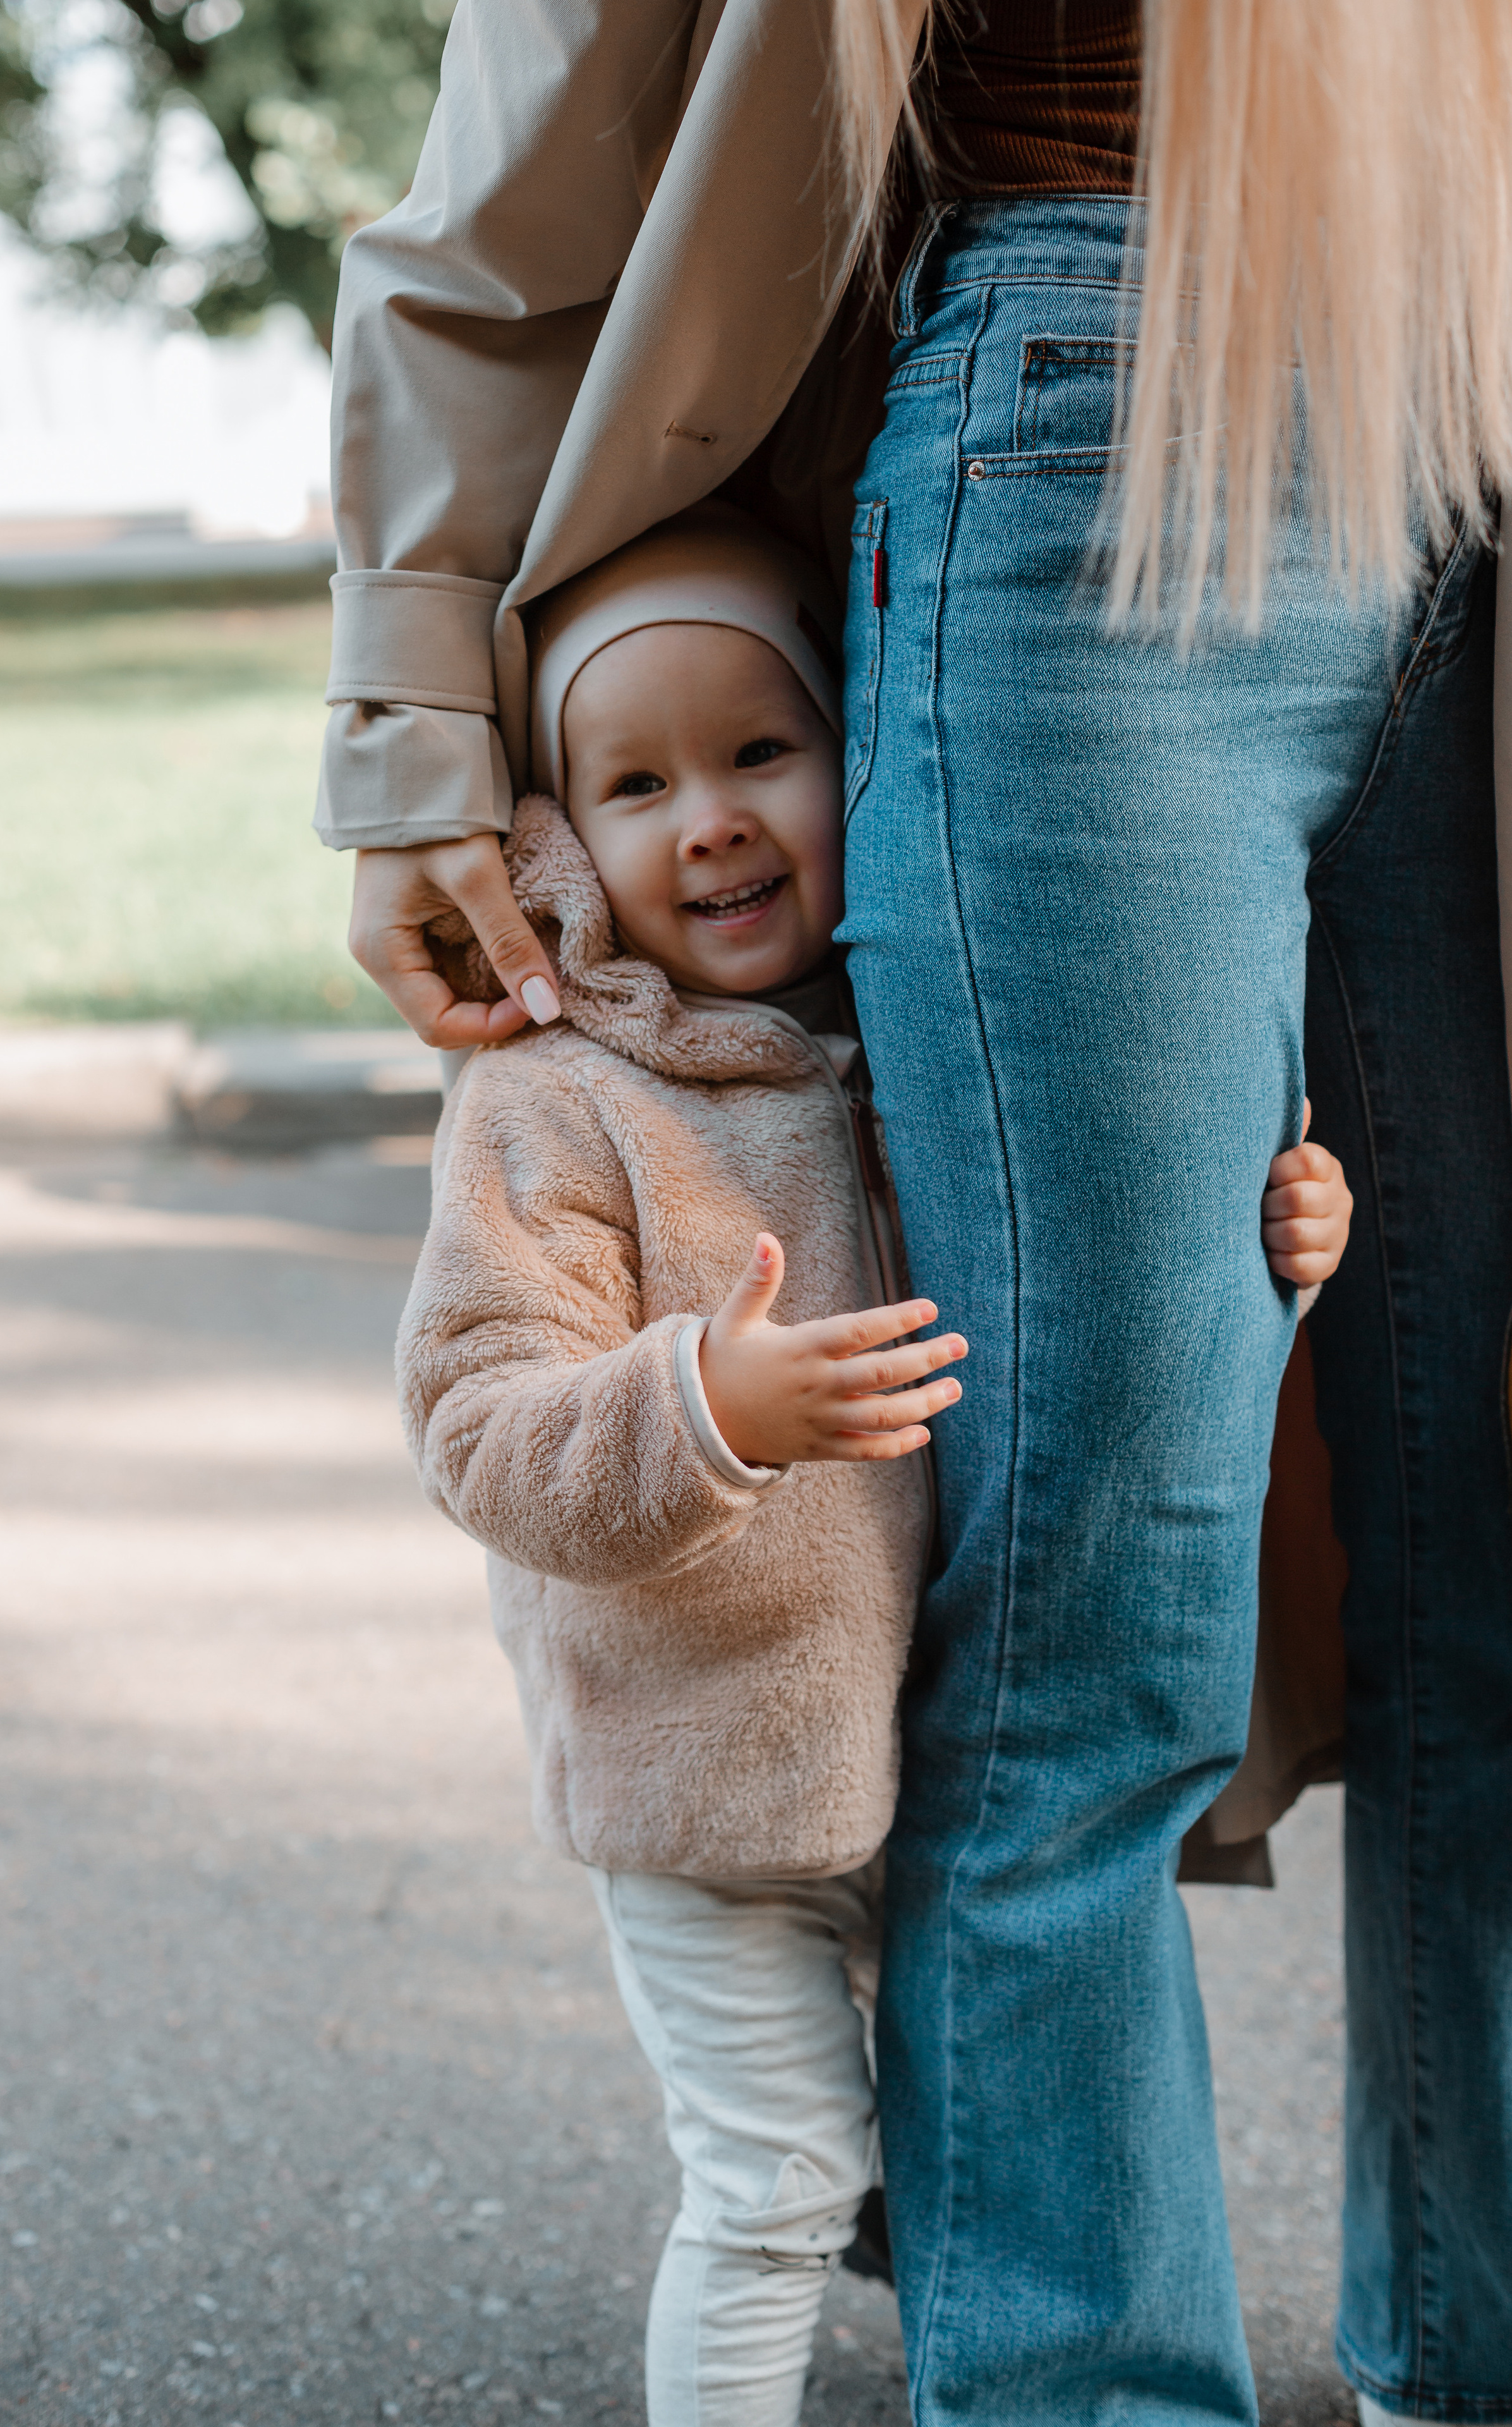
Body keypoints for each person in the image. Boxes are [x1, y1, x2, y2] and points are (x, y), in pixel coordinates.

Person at [317, 6, 1512, 2420]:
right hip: (1092, 417)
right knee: (1101, 1612)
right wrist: (413, 715)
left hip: (1471, 426)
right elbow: (533, 139)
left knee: (1491, 1571)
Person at [394, 506, 1355, 2427]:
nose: (712, 821)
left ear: (870, 751)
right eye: (638, 781)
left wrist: (1279, 1247)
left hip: (933, 1759)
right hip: (705, 1773)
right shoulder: (556, 1097)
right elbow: (478, 1426)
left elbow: (1084, 1317)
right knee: (769, 2190)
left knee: (948, 2177)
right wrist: (703, 1404)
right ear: (565, 838)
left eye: (762, 750)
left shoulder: (938, 1031)